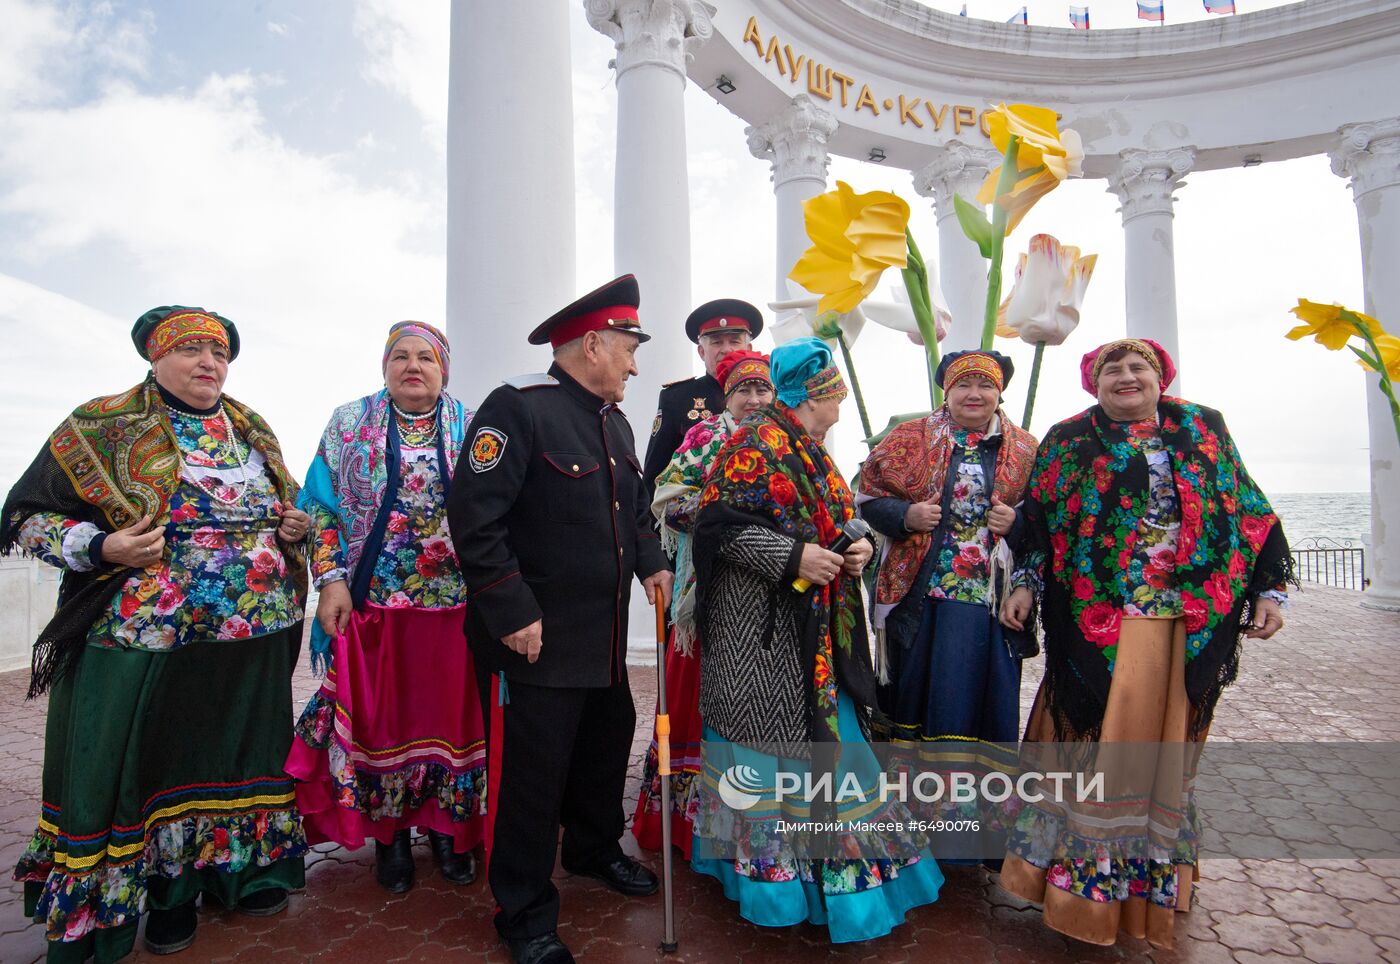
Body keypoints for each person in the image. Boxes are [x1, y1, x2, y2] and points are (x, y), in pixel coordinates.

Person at [1, 306, 309, 962]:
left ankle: (233, 876)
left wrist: (290, 529)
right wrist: (101, 544)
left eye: (219, 352)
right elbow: (24, 518)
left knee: (236, 761)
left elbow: (287, 507)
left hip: (251, 639)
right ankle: (151, 902)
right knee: (146, 768)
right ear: (154, 357)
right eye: (191, 349)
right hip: (144, 639)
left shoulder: (252, 430)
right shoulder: (103, 425)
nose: (209, 363)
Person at [996, 338, 1291, 949]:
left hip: (1188, 624)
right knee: (1093, 753)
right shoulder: (1070, 439)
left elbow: (1251, 514)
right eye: (1113, 369)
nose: (1127, 377)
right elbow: (1042, 522)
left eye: (1140, 368)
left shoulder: (1203, 429)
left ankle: (1150, 887)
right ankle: (1077, 894)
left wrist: (1270, 592)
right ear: (1093, 383)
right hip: (1098, 626)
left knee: (1164, 757)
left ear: (1161, 378)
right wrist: (1024, 583)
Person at [446, 275, 674, 964]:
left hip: (600, 635)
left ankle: (592, 849)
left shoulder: (616, 421)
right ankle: (521, 909)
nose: (636, 364)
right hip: (536, 637)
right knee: (534, 776)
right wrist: (511, 609)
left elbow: (632, 511)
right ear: (594, 343)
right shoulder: (518, 408)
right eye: (629, 348)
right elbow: (474, 518)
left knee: (606, 749)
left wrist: (653, 562)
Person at [689, 336, 944, 944]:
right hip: (762, 636)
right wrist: (794, 556)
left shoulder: (810, 448)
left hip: (818, 635)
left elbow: (834, 516)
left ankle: (838, 887)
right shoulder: (754, 446)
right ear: (816, 397)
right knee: (773, 752)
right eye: (836, 396)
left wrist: (855, 541)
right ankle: (780, 893)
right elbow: (717, 528)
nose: (840, 405)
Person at [283, 321, 485, 894]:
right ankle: (390, 835)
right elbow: (319, 509)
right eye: (400, 356)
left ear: (444, 369)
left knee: (451, 719)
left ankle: (449, 830)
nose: (412, 366)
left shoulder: (472, 425)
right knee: (382, 720)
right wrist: (331, 582)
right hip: (375, 605)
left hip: (457, 606)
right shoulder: (349, 424)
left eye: (426, 357)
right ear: (384, 366)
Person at [631, 350, 774, 858]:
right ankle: (680, 824)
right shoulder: (703, 436)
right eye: (743, 391)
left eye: (762, 390)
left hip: (767, 596)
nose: (753, 400)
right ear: (726, 396)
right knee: (693, 696)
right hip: (703, 592)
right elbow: (666, 498)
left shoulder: (787, 440)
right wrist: (722, 515)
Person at [857, 350, 1038, 746]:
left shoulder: (1025, 450)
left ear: (1000, 392)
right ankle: (908, 792)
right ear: (946, 391)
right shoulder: (908, 438)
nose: (974, 394)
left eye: (985, 385)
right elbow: (867, 499)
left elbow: (1043, 528)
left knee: (970, 693)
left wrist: (1017, 523)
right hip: (918, 592)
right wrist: (906, 515)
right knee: (915, 692)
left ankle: (973, 794)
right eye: (963, 384)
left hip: (987, 597)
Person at [640, 298, 762, 499]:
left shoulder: (769, 397)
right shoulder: (677, 398)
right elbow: (655, 475)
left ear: (749, 349)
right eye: (716, 342)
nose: (726, 349)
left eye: (734, 341)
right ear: (701, 351)